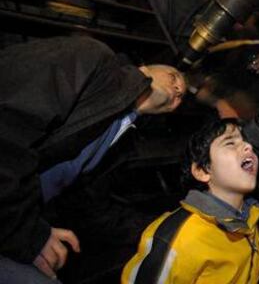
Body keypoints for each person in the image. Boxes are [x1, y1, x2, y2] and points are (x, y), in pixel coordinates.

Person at [0, 35, 186, 283]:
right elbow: (8, 128)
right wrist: (26, 232)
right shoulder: (91, 59)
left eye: (181, 96)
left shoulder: (121, 143)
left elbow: (90, 208)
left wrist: (165, 229)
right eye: (174, 78)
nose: (176, 89)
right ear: (149, 66)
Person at [121, 117, 259, 283]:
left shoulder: (249, 219)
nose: (248, 146)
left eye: (245, 141)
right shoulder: (178, 238)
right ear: (202, 171)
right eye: (230, 143)